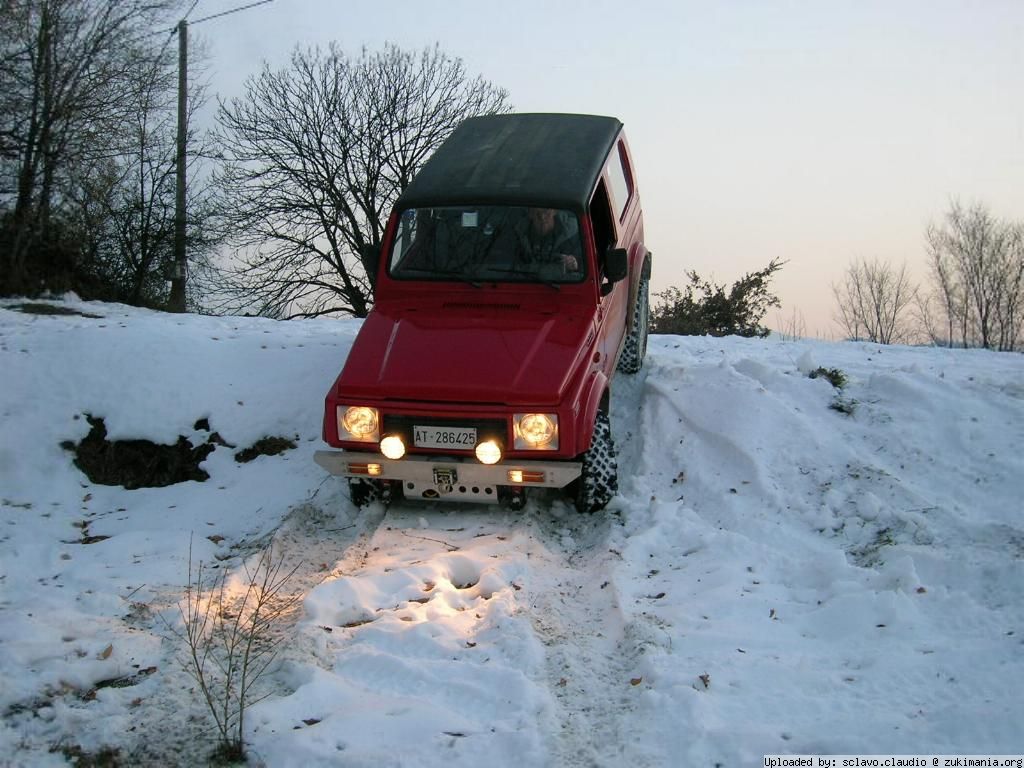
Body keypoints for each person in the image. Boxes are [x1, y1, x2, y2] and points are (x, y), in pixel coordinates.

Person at [516, 207, 582, 274]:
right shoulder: (519, 234)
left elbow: (586, 266)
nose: (542, 217)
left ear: (554, 211)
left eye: (546, 211)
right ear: (530, 214)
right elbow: (510, 266)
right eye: (537, 213)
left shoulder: (573, 234)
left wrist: (575, 263)